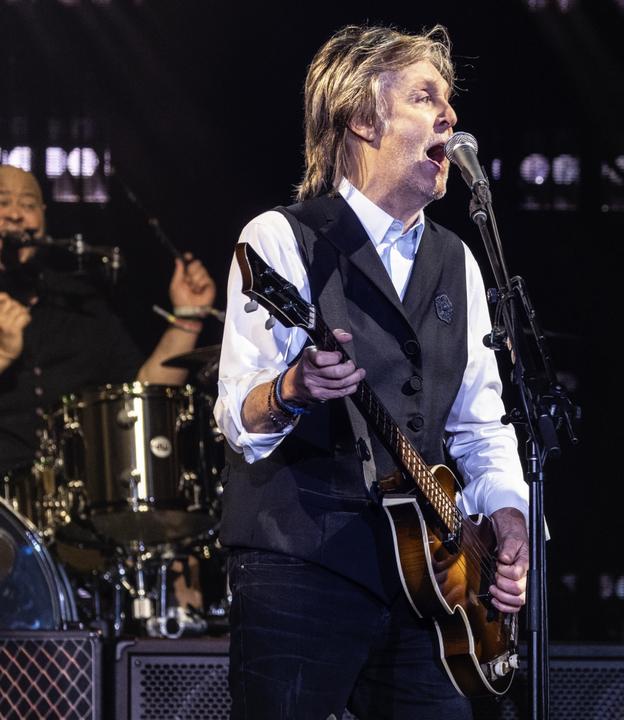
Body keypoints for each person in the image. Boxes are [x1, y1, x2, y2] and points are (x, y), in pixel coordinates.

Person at [214, 24, 530, 719]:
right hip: (303, 561)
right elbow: (239, 417)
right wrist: (293, 389)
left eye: (449, 101)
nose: (449, 116)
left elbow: (482, 422)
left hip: (434, 580)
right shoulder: (280, 238)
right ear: (362, 117)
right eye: (424, 97)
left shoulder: (459, 260)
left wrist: (508, 512)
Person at [0, 164, 216, 474]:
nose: (16, 214)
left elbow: (142, 390)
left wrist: (189, 316)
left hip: (77, 499)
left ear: (43, 219)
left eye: (28, 204)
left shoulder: (79, 302)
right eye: (3, 202)